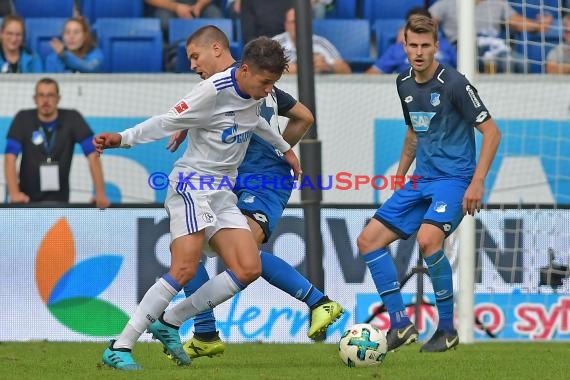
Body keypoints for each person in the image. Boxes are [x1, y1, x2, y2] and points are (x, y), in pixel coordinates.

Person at [98, 36, 300, 370]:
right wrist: (123, 139)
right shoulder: (211, 90)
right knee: (184, 268)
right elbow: (165, 121)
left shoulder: (252, 91)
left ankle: (171, 319)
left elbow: (256, 122)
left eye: (273, 85)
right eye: (266, 83)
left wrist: (285, 148)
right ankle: (120, 345)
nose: (268, 91)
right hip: (192, 185)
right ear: (246, 70)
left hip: (221, 191)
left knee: (248, 266)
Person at [164, 25, 343, 359]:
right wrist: (283, 146)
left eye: (195, 56)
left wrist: (276, 153)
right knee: (189, 246)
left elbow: (301, 117)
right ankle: (204, 332)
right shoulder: (248, 83)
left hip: (262, 178)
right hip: (237, 177)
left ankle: (320, 302)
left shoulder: (237, 81)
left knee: (242, 253)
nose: (193, 65)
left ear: (216, 49)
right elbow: (303, 117)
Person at [358, 15, 501, 353]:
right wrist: (401, 172)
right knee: (368, 240)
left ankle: (447, 330)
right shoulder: (403, 82)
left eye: (426, 45)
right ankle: (400, 323)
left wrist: (477, 182)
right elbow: (414, 130)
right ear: (404, 46)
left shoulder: (454, 83)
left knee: (427, 238)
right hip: (421, 179)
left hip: (454, 180)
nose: (419, 52)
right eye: (413, 45)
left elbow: (492, 132)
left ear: (437, 46)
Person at [4, 77, 109, 208]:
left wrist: (100, 193)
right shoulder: (23, 118)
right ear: (34, 99)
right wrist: (14, 194)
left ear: (58, 98)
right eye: (41, 95)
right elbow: (9, 158)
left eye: (50, 95)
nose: (45, 100)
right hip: (26, 200)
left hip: (61, 201)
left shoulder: (73, 118)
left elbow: (93, 156)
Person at [429, 0, 552, 73]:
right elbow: (426, 22)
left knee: (521, 63)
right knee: (504, 63)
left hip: (493, 46)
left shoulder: (497, 3)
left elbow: (516, 21)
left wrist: (538, 25)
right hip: (460, 47)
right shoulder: (446, 3)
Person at [366, 7, 456, 75]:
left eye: (423, 24)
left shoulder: (446, 45)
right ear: (406, 27)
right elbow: (371, 75)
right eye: (414, 24)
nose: (419, 28)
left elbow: (465, 70)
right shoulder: (396, 49)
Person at [273, 8, 351, 74]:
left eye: (302, 21)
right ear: (286, 25)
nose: (299, 25)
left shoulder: (321, 43)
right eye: (294, 22)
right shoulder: (275, 43)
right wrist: (304, 69)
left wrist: (328, 67)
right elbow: (263, 70)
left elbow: (347, 71)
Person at [145, 0, 223, 33]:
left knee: (216, 19)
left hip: (199, 4)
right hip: (169, 5)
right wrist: (176, 7)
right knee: (164, 22)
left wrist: (199, 5)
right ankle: (173, 55)